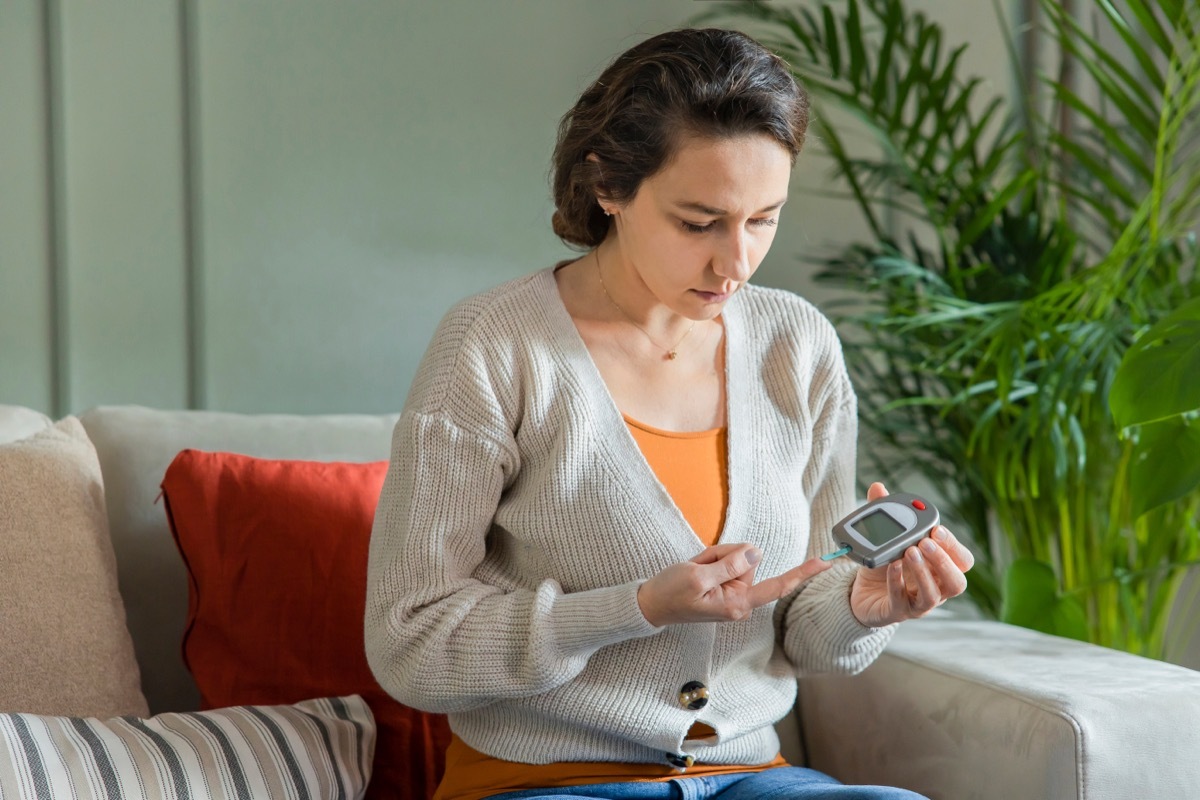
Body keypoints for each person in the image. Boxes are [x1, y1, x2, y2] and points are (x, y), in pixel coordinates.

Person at [365, 27, 973, 800]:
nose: (736, 263)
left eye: (764, 218)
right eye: (699, 222)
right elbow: (410, 644)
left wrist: (864, 606)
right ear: (607, 187)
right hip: (545, 780)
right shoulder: (493, 347)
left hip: (747, 777)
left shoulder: (798, 346)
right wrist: (635, 608)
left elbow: (804, 629)